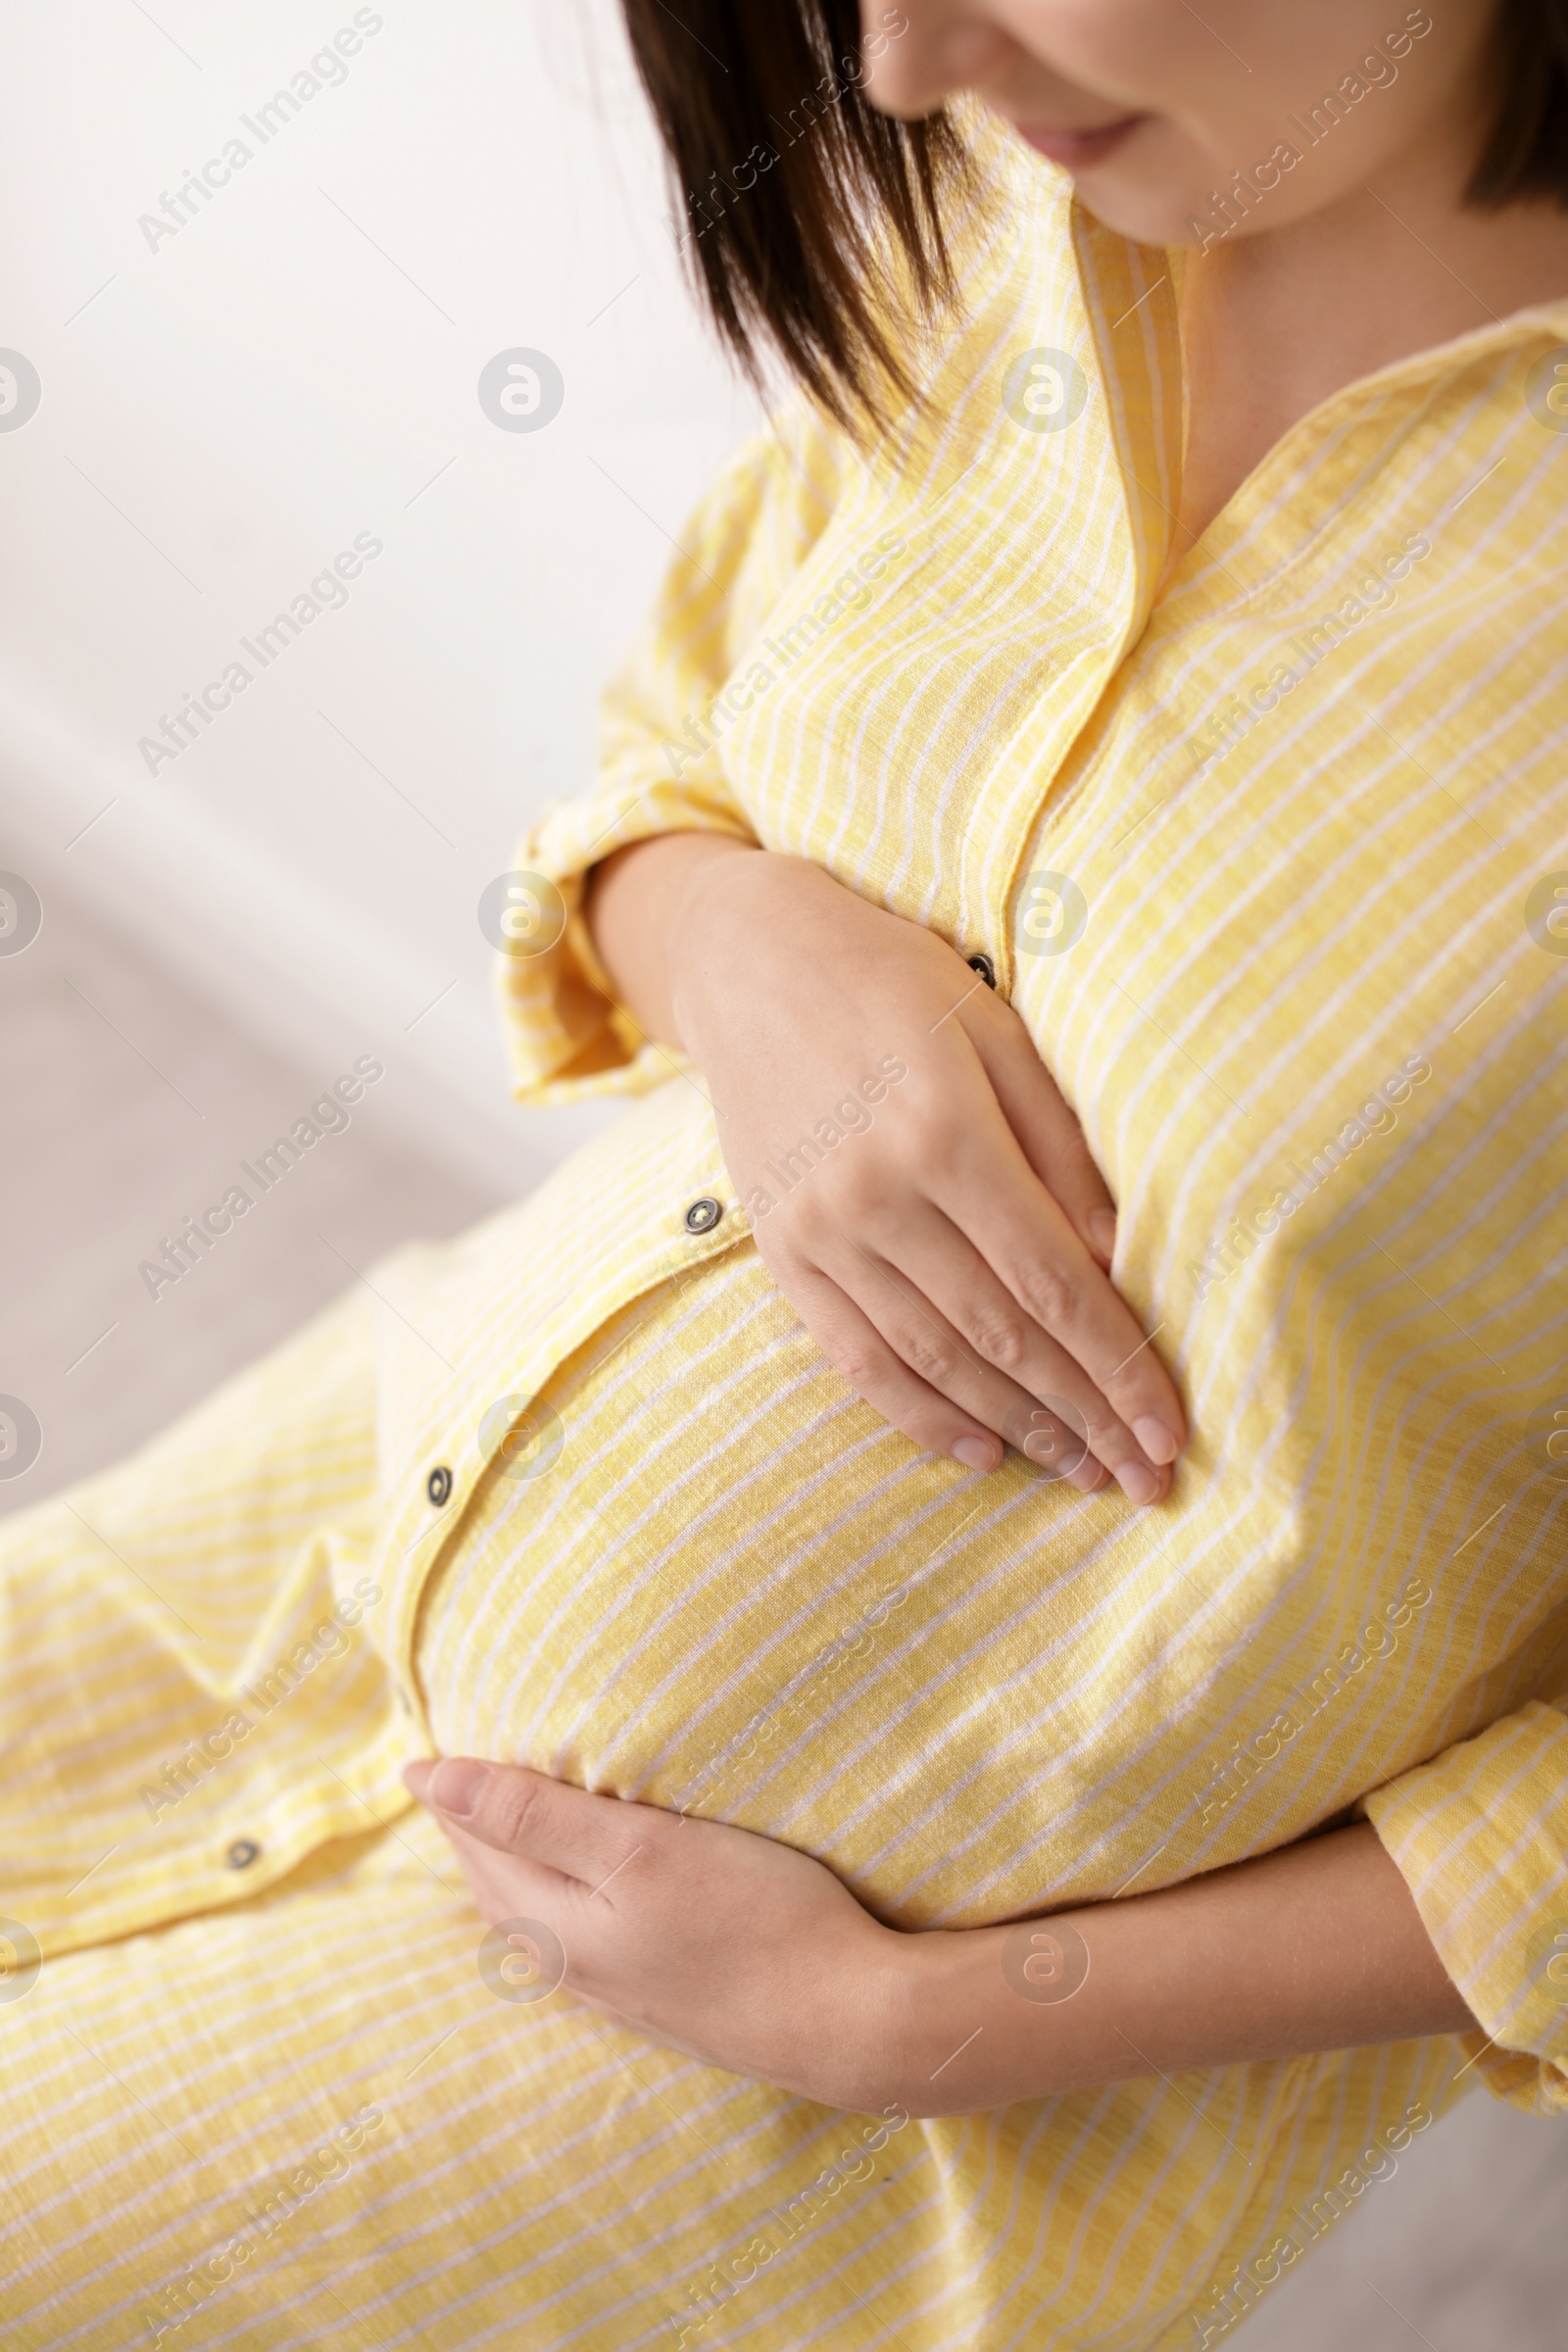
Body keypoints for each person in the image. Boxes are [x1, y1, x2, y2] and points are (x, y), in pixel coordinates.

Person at [4, 2, 1567, 2346]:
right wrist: (742, 942)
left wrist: (914, 2023)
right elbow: (688, 723)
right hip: (341, 1509)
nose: (907, 63)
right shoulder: (1024, 193)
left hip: (766, 2092)